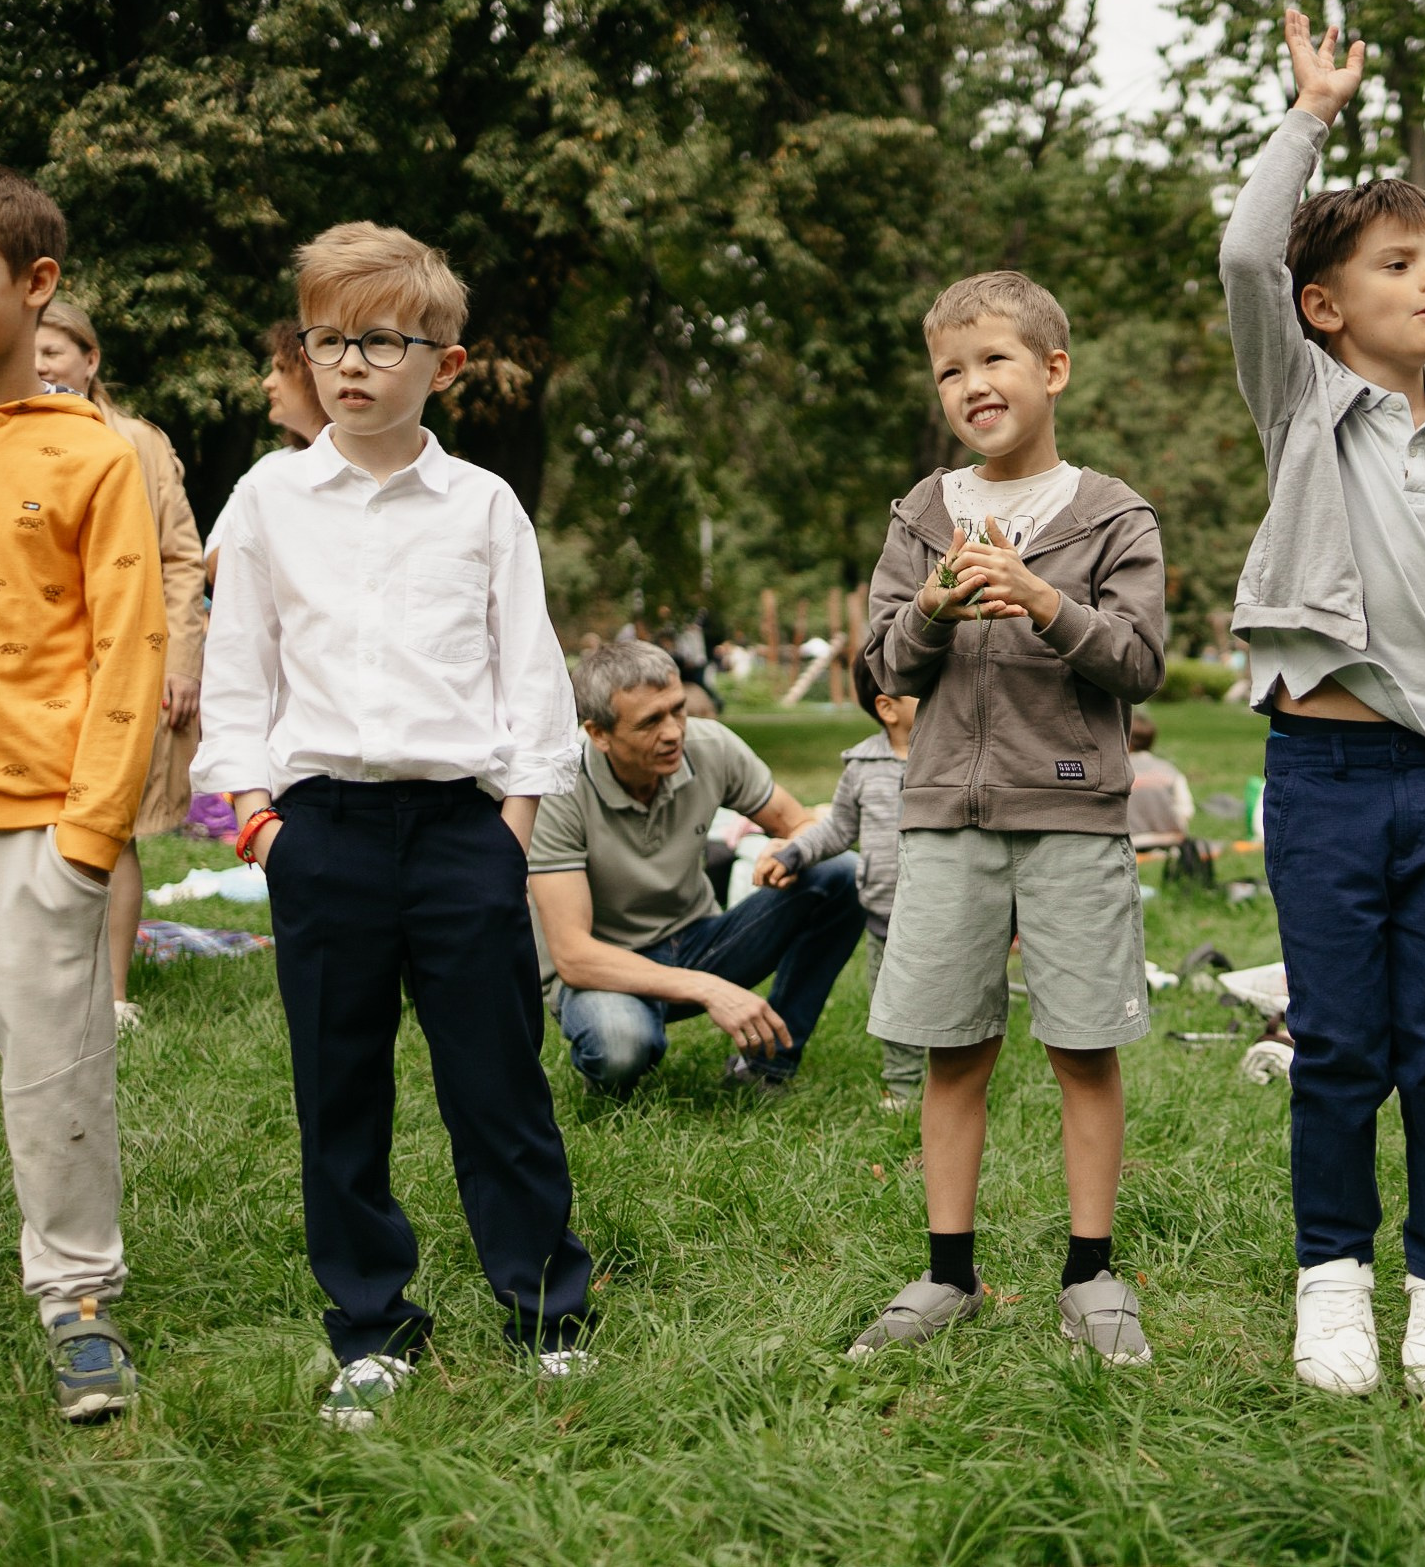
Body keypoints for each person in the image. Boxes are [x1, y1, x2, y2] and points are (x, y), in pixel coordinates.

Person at [195, 222, 594, 1428]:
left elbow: (533, 683)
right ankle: (372, 1322)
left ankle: (543, 1312)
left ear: (447, 364)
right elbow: (232, 692)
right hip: (320, 835)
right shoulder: (267, 499)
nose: (351, 364)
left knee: (497, 1084)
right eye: (327, 340)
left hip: (461, 833)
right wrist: (258, 833)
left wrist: (511, 831)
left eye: (382, 340)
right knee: (339, 1091)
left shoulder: (482, 506)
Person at [1219, 10, 1425, 1398]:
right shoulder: (1302, 402)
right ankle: (1332, 1281)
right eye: (1399, 263)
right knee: (1338, 1042)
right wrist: (1312, 116)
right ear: (1326, 307)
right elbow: (1245, 252)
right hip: (1325, 778)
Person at [849, 268, 1168, 1368]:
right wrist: (934, 606)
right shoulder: (919, 515)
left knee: (1083, 1047)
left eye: (993, 360)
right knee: (954, 1047)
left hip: (1074, 811)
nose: (971, 384)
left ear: (1052, 370)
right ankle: (947, 1273)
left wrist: (1039, 598)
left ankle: (1091, 1273)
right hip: (944, 815)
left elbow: (1137, 661)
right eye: (950, 370)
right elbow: (880, 664)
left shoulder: (1112, 514)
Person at [0, 159, 165, 1421]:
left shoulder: (94, 456)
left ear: (36, 282)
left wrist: (86, 839)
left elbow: (130, 649)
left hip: (31, 827)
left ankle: (79, 1299)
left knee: (53, 1079)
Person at [528, 641, 866, 1098]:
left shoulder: (710, 746)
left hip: (698, 940)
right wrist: (709, 989)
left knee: (840, 873)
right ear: (598, 733)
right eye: (650, 721)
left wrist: (788, 851)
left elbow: (801, 824)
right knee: (620, 1047)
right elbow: (573, 955)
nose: (673, 732)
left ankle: (768, 1067)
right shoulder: (559, 786)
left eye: (678, 710)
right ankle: (617, 1057)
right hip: (604, 969)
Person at [34, 301, 207, 1031]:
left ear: (90, 359)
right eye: (32, 348)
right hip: (33, 666)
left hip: (122, 662)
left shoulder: (136, 441)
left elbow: (180, 557)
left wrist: (181, 660)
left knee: (117, 824)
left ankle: (112, 994)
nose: (43, 363)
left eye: (56, 349)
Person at [762, 653, 921, 1109]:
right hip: (885, 912)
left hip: (947, 910)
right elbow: (836, 829)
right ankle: (905, 1086)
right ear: (887, 707)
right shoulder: (862, 767)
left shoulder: (953, 756)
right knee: (891, 1004)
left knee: (954, 999)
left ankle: (961, 1079)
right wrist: (794, 852)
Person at [203, 320, 329, 590]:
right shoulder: (271, 466)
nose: (267, 383)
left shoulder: (373, 464)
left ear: (315, 375)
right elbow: (217, 564)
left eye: (281, 369)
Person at [1124, 711, 1196, 851]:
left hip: (1131, 840)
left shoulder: (1119, 769)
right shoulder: (1169, 769)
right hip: (1170, 838)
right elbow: (1186, 810)